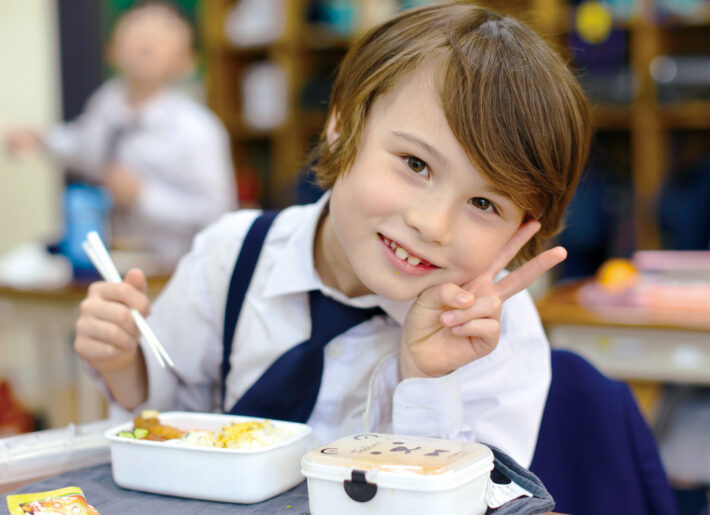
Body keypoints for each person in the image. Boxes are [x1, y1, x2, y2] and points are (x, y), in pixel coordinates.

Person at [73, 3, 590, 468]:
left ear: (523, 228)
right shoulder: (232, 255)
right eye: (415, 164)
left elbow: (478, 504)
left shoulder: (495, 334)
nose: (432, 225)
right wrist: (124, 364)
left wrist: (427, 381)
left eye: (483, 203)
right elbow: (170, 416)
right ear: (343, 124)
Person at [4, 1, 237, 264]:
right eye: (136, 32)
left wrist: (143, 196)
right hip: (109, 255)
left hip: (170, 265)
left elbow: (218, 214)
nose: (146, 43)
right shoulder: (107, 102)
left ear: (186, 60)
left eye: (161, 36)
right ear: (112, 50)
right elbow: (84, 147)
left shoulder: (198, 129)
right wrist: (40, 139)